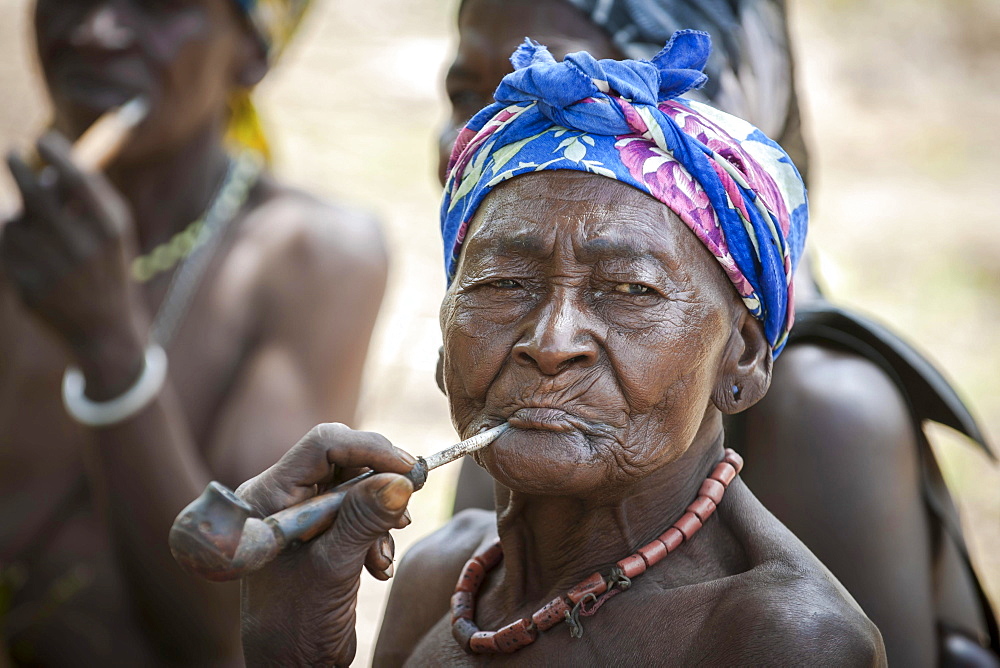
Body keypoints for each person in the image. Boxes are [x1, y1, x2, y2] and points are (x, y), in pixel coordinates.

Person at [233, 34, 886, 666]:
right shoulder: (440, 576)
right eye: (502, 284)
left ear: (741, 357)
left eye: (630, 290)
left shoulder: (784, 641)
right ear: (444, 338)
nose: (549, 343)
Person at [440, 2, 1000, 665]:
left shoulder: (824, 424)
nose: (554, 341)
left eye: (630, 290)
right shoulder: (467, 524)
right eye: (468, 94)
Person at [0, 0, 386, 665]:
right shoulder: (14, 248)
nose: (97, 29)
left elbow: (233, 630)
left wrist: (110, 352)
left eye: (157, 5)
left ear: (252, 52)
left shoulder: (311, 258)